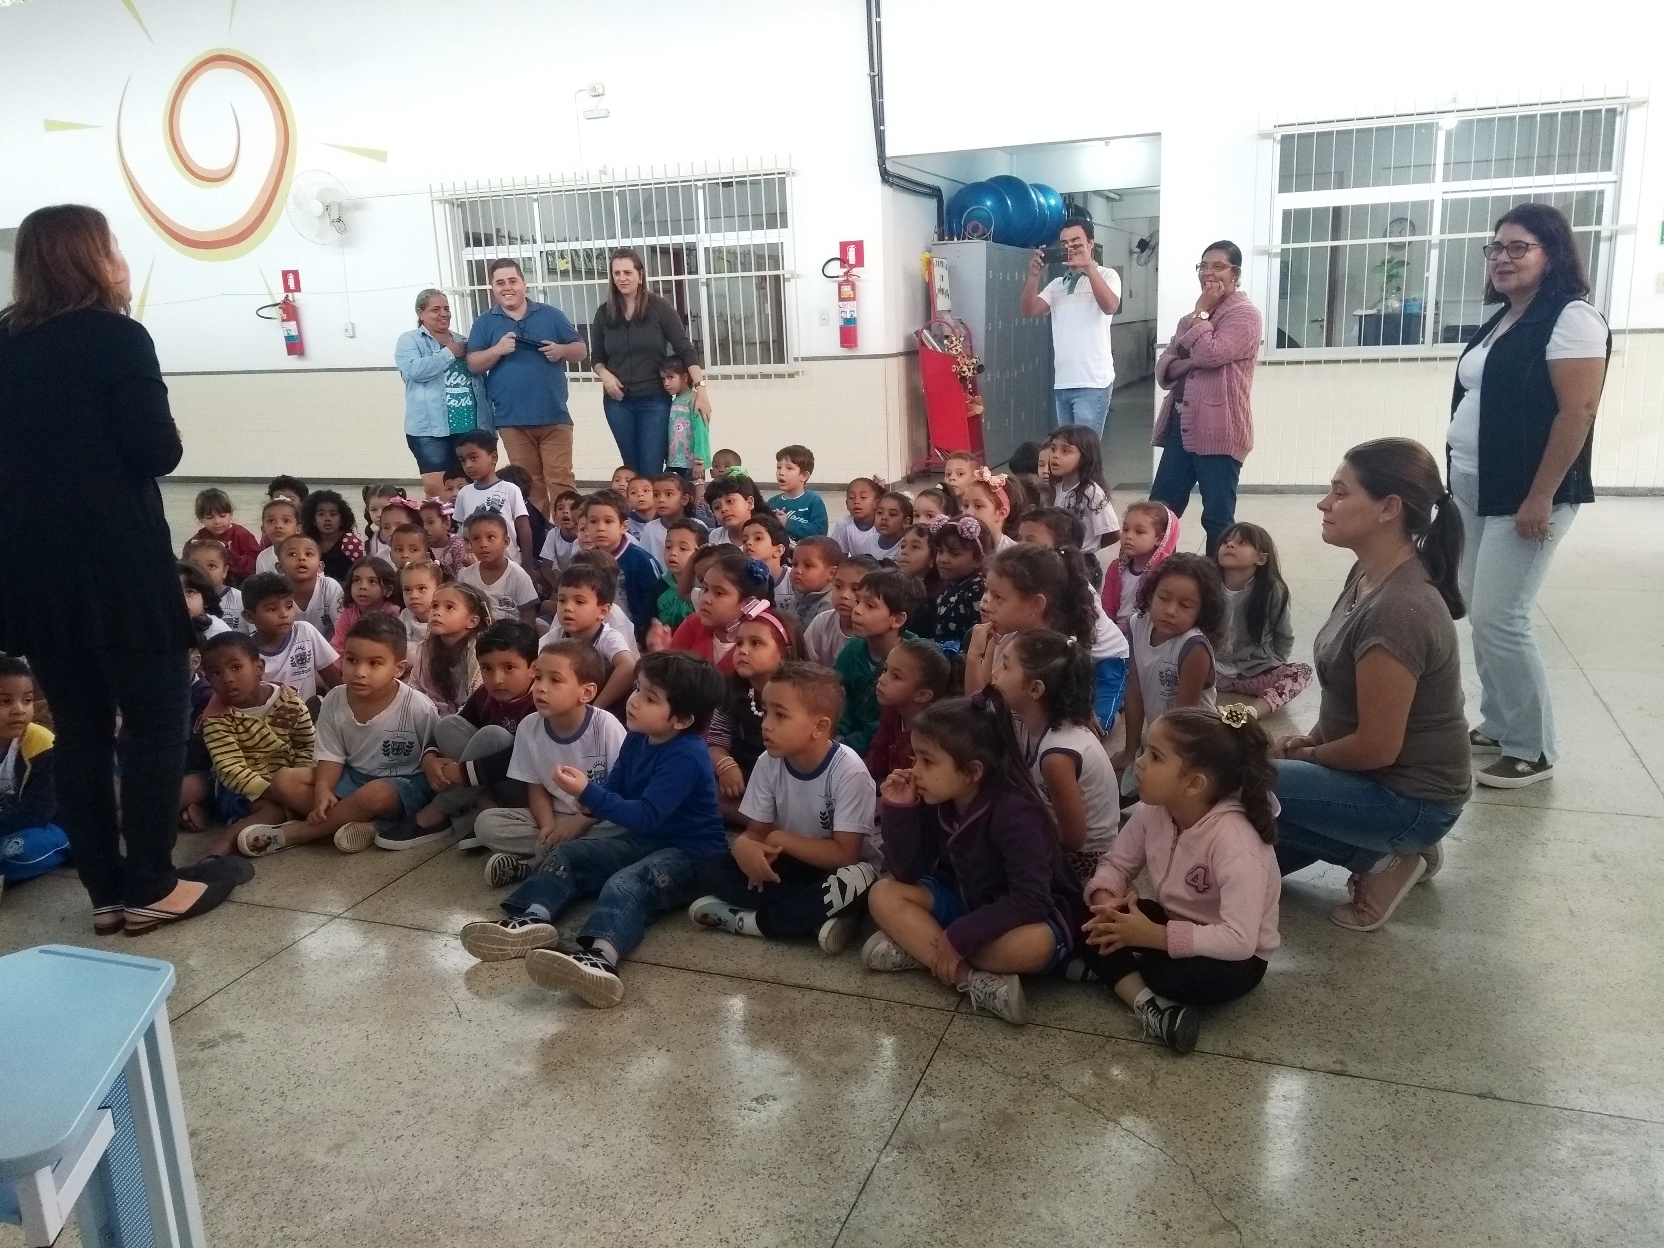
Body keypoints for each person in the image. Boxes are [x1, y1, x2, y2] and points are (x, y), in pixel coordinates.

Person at [0, 204, 239, 932]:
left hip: (36, 573)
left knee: (79, 729)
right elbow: (156, 449)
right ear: (91, 257)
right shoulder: (115, 335)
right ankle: (153, 885)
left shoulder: (4, 340)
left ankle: (105, 893)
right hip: (119, 567)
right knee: (156, 722)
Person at [1272, 438, 1470, 932]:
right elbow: (1348, 698)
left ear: (1389, 508)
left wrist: (1308, 758)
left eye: (1340, 493)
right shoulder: (1368, 572)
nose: (1324, 503)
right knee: (1245, 836)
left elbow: (1378, 748)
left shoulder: (1399, 609)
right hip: (1373, 780)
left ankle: (1387, 856)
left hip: (1408, 798)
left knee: (1239, 780)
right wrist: (1309, 741)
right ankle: (1386, 844)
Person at [457, 650, 727, 1009]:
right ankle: (531, 917)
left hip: (691, 855)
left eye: (649, 698)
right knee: (568, 853)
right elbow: (617, 789)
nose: (633, 701)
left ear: (682, 719)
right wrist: (587, 805)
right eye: (637, 689)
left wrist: (588, 792)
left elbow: (646, 815)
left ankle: (601, 957)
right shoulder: (638, 737)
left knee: (626, 883)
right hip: (641, 840)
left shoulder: (688, 755)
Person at [1448, 204, 1609, 789]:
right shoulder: (1503, 319)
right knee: (1477, 605)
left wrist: (1541, 496)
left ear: (1552, 254)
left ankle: (1532, 746)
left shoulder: (1571, 319)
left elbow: (1577, 412)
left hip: (1526, 493)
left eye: (1518, 247)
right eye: (1496, 248)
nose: (1502, 258)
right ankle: (1499, 721)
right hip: (1473, 484)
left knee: (1502, 616)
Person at [864, 690, 1086, 1026]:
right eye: (915, 758)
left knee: (1037, 944)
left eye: (927, 761)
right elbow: (908, 871)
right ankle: (972, 980)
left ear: (972, 772)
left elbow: (1031, 899)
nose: (915, 771)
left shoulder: (1018, 814)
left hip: (1020, 916)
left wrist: (960, 936)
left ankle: (921, 947)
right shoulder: (937, 795)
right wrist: (899, 810)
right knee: (883, 893)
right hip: (963, 900)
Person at [1080, 705, 1281, 1055]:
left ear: (1194, 784)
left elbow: (1240, 940)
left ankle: (1114, 975)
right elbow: (1116, 866)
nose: (1139, 762)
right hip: (1173, 924)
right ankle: (1151, 1006)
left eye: (1155, 756)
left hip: (1235, 959)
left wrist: (1154, 936)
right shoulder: (1154, 810)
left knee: (1173, 977)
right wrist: (1106, 904)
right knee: (1091, 917)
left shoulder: (1236, 843)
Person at [689, 662, 880, 953]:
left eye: (780, 715)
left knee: (858, 883)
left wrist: (779, 839)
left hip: (837, 869)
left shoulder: (849, 771)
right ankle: (814, 917)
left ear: (819, 727)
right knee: (710, 867)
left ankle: (755, 922)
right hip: (789, 865)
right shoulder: (769, 762)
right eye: (765, 711)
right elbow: (757, 832)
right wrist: (745, 848)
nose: (766, 724)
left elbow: (845, 854)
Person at [238, 614, 438, 857]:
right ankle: (362, 824)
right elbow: (331, 756)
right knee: (284, 780)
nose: (359, 672)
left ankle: (299, 833)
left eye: (374, 663)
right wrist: (323, 790)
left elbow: (433, 759)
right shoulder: (334, 699)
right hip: (353, 778)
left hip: (402, 787)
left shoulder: (418, 707)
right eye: (351, 660)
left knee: (376, 793)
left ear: (399, 668)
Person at [475, 640, 627, 886]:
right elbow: (536, 787)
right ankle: (561, 856)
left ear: (586, 692)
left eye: (555, 680)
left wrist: (583, 819)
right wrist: (547, 825)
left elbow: (622, 786)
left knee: (625, 828)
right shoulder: (529, 727)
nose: (540, 688)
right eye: (537, 678)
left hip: (599, 817)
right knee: (486, 824)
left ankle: (532, 866)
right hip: (556, 816)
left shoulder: (605, 726)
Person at [384, 618, 542, 854]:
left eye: (509, 667)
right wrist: (430, 757)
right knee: (449, 724)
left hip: (523, 790)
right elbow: (458, 722)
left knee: (493, 735)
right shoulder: (486, 693)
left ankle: (438, 812)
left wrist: (461, 772)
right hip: (485, 781)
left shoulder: (540, 702)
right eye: (487, 668)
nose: (497, 679)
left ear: (533, 668)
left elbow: (522, 757)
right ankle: (484, 808)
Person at [1150, 240, 1262, 556]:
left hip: (1220, 428)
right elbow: (1164, 369)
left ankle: (1217, 581)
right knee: (1160, 511)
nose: (1208, 273)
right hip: (1181, 426)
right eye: (1203, 266)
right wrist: (1192, 360)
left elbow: (1212, 354)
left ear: (1235, 274)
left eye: (1217, 266)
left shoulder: (1245, 316)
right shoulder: (1189, 320)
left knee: (1217, 519)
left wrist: (1201, 315)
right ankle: (1155, 576)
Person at [992, 630, 1119, 881]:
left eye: (1005, 666)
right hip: (1058, 834)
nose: (994, 673)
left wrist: (1023, 833)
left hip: (1087, 858)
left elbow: (1073, 839)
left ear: (1035, 689)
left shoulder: (1057, 755)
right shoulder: (1032, 722)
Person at [466, 258, 587, 513]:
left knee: (561, 481)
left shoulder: (551, 315)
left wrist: (562, 350)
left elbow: (581, 349)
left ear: (524, 283)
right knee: (527, 486)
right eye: (500, 283)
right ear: (492, 288)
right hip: (512, 421)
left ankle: (570, 533)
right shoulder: (484, 322)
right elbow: (473, 363)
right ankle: (537, 533)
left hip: (554, 417)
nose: (507, 287)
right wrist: (497, 350)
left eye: (513, 281)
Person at [589, 248, 710, 477]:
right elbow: (596, 358)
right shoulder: (604, 313)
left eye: (628, 272)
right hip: (618, 403)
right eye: (616, 273)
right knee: (631, 469)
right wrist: (605, 375)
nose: (622, 278)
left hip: (654, 400)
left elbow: (685, 349)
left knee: (651, 468)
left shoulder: (659, 307)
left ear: (640, 275)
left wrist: (701, 389)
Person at [195, 633, 317, 858]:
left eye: (236, 667)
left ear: (259, 668)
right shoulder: (216, 718)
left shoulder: (289, 701)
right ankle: (215, 854)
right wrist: (278, 793)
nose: (227, 678)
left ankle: (286, 829)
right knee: (272, 811)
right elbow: (231, 769)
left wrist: (296, 782)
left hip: (288, 778)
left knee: (325, 786)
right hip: (242, 788)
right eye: (216, 673)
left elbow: (306, 746)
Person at [1112, 554, 1225, 776]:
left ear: (1202, 611)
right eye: (1163, 598)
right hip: (1161, 737)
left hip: (1193, 745)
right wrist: (1130, 751)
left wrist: (1163, 765)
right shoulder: (1137, 625)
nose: (1171, 610)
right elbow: (1134, 691)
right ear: (1151, 595)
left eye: (1185, 605)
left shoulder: (1193, 647)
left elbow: (1185, 718)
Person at [1020, 218, 1122, 433]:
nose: (1070, 248)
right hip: (1063, 382)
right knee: (1067, 448)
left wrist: (1089, 267)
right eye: (1065, 244)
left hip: (1093, 382)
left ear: (1090, 244)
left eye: (1076, 242)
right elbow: (1029, 310)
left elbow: (1110, 306)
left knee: (1084, 449)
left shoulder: (1107, 275)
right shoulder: (1057, 285)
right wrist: (1034, 277)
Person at [396, 288, 489, 496]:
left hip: (469, 425)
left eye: (446, 308)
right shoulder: (410, 340)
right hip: (430, 430)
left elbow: (479, 381)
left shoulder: (462, 341)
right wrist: (449, 353)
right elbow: (414, 370)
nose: (443, 314)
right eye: (435, 309)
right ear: (420, 313)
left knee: (472, 486)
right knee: (437, 489)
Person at [1214, 523, 1312, 718]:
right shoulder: (1206, 585)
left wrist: (1274, 666)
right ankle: (1204, 709)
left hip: (1254, 673)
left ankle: (1250, 713)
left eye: (1242, 542)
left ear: (1261, 558)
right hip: (1212, 672)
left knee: (1302, 672)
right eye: (1225, 542)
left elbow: (1284, 636)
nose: (1230, 545)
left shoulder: (1272, 591)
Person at [835, 568, 926, 754]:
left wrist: (847, 744)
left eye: (870, 606)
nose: (857, 610)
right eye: (858, 601)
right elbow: (838, 693)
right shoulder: (853, 648)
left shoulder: (913, 659)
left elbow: (889, 720)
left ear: (898, 619)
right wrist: (837, 733)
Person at [0, 656, 69, 900]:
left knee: (15, 850)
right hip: (6, 826)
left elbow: (38, 812)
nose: (19, 709)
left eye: (27, 700)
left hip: (50, 826)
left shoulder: (40, 743)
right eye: (5, 701)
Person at [241, 572, 341, 704]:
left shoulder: (305, 631)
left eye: (289, 607)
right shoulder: (245, 653)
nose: (284, 614)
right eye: (272, 609)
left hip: (309, 713)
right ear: (249, 617)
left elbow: (335, 682)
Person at [1042, 426, 1119, 550]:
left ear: (1084, 457)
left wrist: (1087, 549)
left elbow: (1112, 533)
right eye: (1053, 449)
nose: (1055, 456)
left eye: (1065, 451)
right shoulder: (1056, 487)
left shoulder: (1092, 493)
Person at [186, 488, 261, 584]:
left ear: (230, 514)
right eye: (209, 517)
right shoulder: (198, 540)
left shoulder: (242, 535)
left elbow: (255, 567)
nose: (217, 522)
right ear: (200, 519)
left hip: (239, 586)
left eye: (222, 516)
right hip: (206, 585)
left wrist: (231, 555)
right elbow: (186, 568)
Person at [768, 444, 829, 540]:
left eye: (789, 468)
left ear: (804, 476)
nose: (781, 472)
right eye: (779, 467)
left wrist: (788, 523)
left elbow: (820, 532)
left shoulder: (813, 501)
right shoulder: (772, 503)